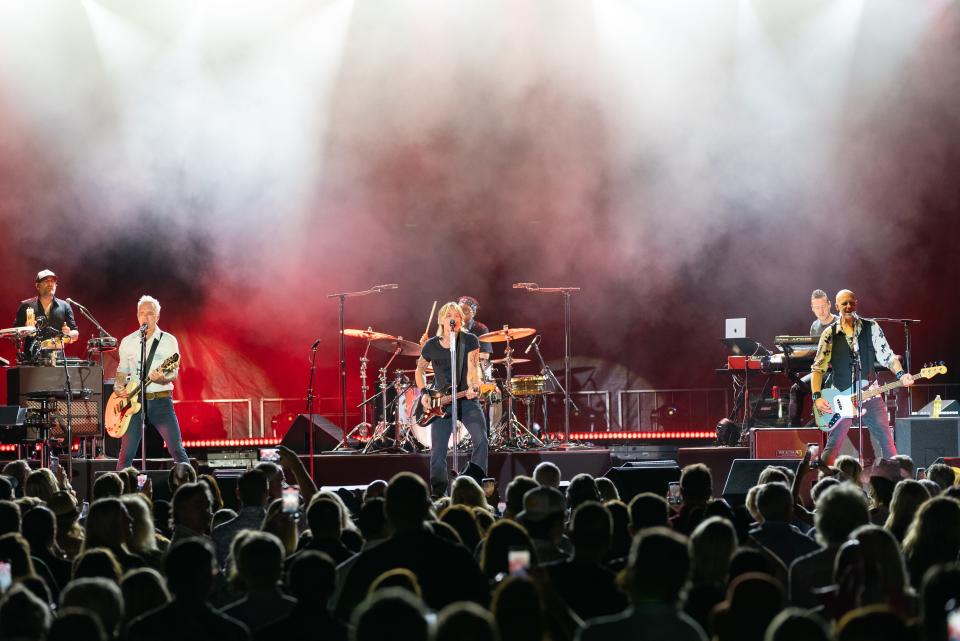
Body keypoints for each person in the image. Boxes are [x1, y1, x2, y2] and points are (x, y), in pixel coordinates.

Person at [811, 290, 913, 466]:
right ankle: (823, 485)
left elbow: (888, 357)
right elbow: (818, 368)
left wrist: (901, 374)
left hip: (870, 395)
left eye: (851, 302)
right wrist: (817, 397)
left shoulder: (870, 327)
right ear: (836, 307)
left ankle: (895, 484)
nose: (848, 307)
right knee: (833, 446)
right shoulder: (829, 334)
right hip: (841, 397)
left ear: (856, 303)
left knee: (887, 442)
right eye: (844, 304)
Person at [415, 301, 488, 496]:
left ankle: (472, 487)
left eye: (456, 315)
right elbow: (419, 370)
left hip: (466, 399)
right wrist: (424, 393)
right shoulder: (431, 345)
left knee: (481, 440)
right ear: (441, 320)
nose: (452, 319)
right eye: (448, 316)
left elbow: (473, 369)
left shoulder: (470, 340)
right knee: (438, 452)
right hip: (440, 403)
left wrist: (474, 385)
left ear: (461, 320)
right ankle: (439, 494)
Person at [115, 295, 190, 470]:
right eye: (141, 313)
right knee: (126, 454)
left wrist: (162, 378)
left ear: (157, 316)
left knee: (177, 450)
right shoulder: (128, 341)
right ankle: (119, 493)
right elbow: (122, 370)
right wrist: (118, 386)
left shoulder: (169, 341)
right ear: (137, 316)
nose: (145, 317)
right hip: (135, 402)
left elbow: (173, 374)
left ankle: (191, 490)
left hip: (161, 402)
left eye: (150, 313)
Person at [787, 289, 836, 426]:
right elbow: (812, 350)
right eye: (817, 308)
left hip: (836, 372)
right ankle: (794, 431)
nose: (821, 311)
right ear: (812, 309)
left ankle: (819, 426)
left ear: (829, 305)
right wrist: (788, 354)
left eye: (823, 307)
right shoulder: (815, 326)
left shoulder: (839, 323)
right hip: (821, 371)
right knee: (796, 389)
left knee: (824, 391)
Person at [13, 269, 79, 363]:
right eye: (46, 281)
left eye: (53, 281)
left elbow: (75, 334)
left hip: (58, 360)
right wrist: (25, 329)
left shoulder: (65, 306)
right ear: (37, 285)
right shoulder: (26, 306)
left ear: (56, 285)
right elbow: (14, 335)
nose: (50, 284)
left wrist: (68, 333)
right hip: (31, 360)